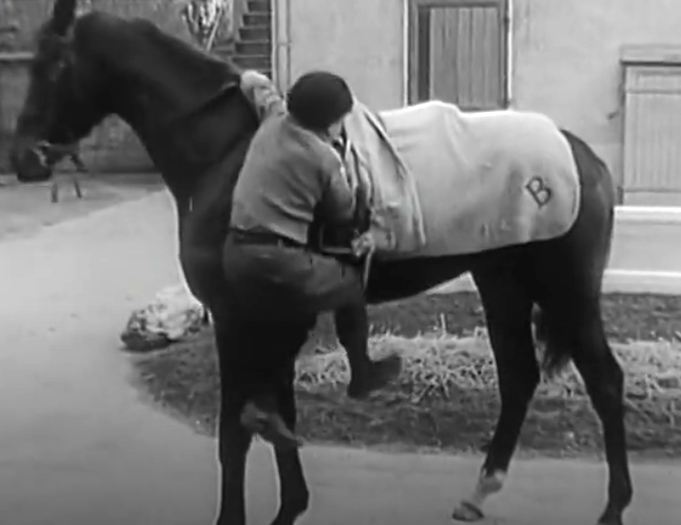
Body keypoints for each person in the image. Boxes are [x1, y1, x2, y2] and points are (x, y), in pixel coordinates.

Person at [222, 69, 402, 447]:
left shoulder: (273, 119)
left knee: (280, 324)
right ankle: (361, 371)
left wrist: (252, 77)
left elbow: (254, 83)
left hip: (235, 252)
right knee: (349, 284)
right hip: (275, 259)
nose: (342, 127)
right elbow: (343, 212)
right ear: (328, 123)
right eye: (340, 121)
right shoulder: (324, 158)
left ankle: (260, 403)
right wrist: (365, 196)